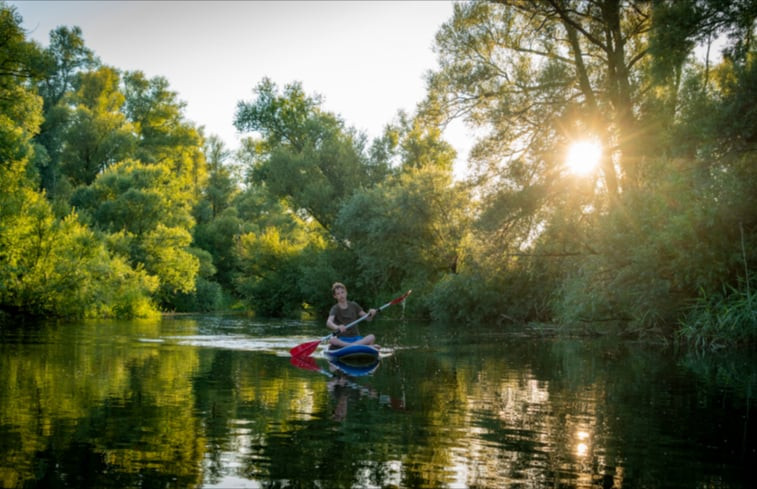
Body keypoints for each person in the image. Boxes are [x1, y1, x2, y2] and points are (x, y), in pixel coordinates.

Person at [326, 282, 378, 350]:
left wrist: (371, 314)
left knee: (372, 337)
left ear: (346, 292)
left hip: (356, 338)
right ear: (335, 296)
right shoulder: (335, 308)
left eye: (342, 292)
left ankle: (350, 346)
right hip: (342, 339)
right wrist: (337, 327)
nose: (341, 295)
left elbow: (368, 318)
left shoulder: (354, 305)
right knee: (332, 340)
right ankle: (361, 346)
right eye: (338, 294)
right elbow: (328, 322)